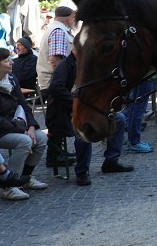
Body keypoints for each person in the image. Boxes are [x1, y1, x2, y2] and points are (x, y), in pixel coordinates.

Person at [46, 43, 131, 185]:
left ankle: (111, 160)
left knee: (120, 118)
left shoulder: (90, 65)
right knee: (83, 131)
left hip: (91, 108)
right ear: (75, 51)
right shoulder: (65, 66)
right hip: (66, 111)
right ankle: (82, 171)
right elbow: (56, 88)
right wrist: (74, 104)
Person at [0, 48, 48, 192]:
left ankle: (25, 178)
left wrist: (31, 126)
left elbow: (24, 105)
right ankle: (8, 185)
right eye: (7, 61)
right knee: (25, 141)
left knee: (41, 138)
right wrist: (22, 130)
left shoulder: (11, 79)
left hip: (16, 125)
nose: (12, 63)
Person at [114, 0, 155, 155]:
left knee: (131, 104)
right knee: (138, 104)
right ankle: (134, 140)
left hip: (129, 58)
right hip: (139, 62)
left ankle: (124, 137)